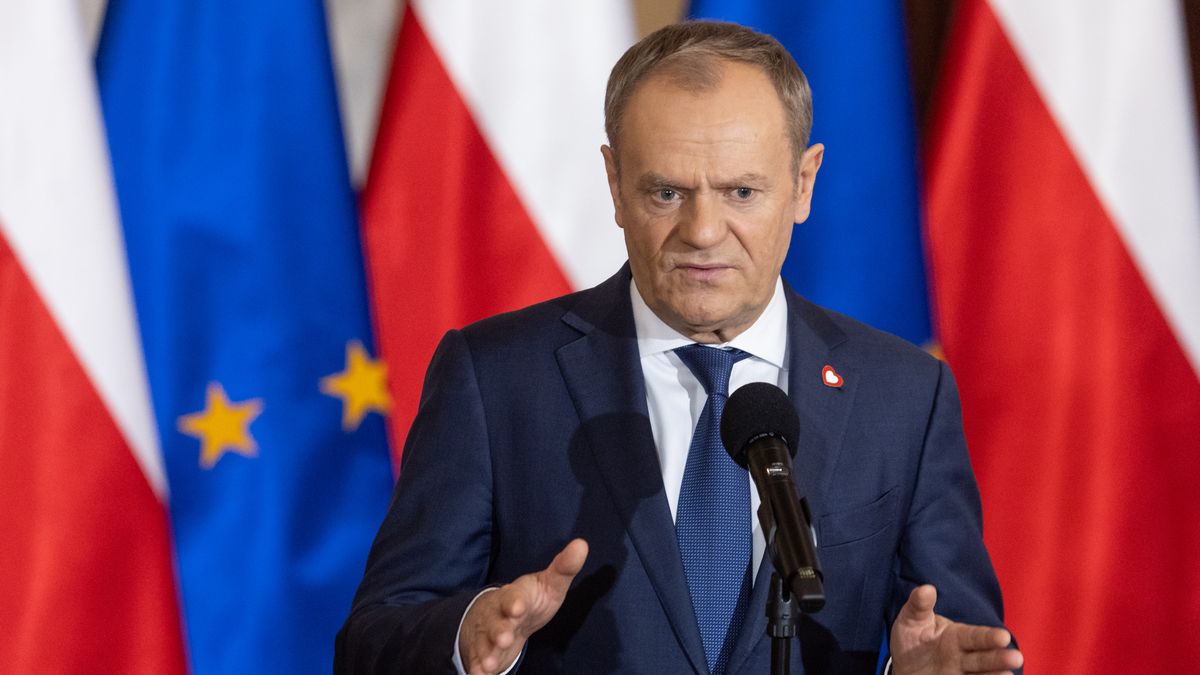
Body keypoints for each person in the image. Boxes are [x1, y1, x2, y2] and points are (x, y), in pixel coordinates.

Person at [336, 21, 1023, 675]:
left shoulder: (903, 394)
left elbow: (956, 641)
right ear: (615, 184)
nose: (701, 230)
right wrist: (466, 638)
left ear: (803, 183)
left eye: (741, 192)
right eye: (666, 191)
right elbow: (373, 641)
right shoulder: (495, 379)